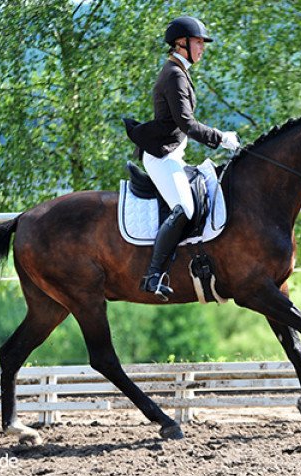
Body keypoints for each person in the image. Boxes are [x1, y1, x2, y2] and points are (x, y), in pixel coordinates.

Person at [124, 16, 240, 301]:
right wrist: (220, 138)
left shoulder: (180, 71)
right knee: (184, 209)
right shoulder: (174, 74)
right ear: (181, 44)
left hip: (174, 154)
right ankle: (153, 275)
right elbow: (187, 123)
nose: (202, 48)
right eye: (199, 43)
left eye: (202, 43)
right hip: (162, 157)